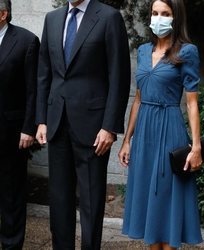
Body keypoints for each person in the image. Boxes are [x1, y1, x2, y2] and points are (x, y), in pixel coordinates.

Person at [35, 0, 130, 249]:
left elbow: (119, 75)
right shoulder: (52, 19)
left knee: (91, 201)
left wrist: (110, 126)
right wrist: (41, 119)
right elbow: (44, 73)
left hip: (93, 127)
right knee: (59, 200)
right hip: (56, 123)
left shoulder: (109, 17)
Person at [118, 0, 203, 249]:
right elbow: (138, 99)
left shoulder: (187, 51)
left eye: (165, 13)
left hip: (169, 131)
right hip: (144, 133)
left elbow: (191, 104)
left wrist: (195, 146)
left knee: (166, 204)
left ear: (175, 18)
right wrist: (126, 141)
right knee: (149, 211)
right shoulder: (144, 51)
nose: (158, 18)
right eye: (155, 13)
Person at [0, 0, 40, 249]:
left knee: (11, 193)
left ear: (3, 14)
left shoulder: (26, 41)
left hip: (11, 132)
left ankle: (11, 244)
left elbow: (33, 90)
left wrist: (29, 127)